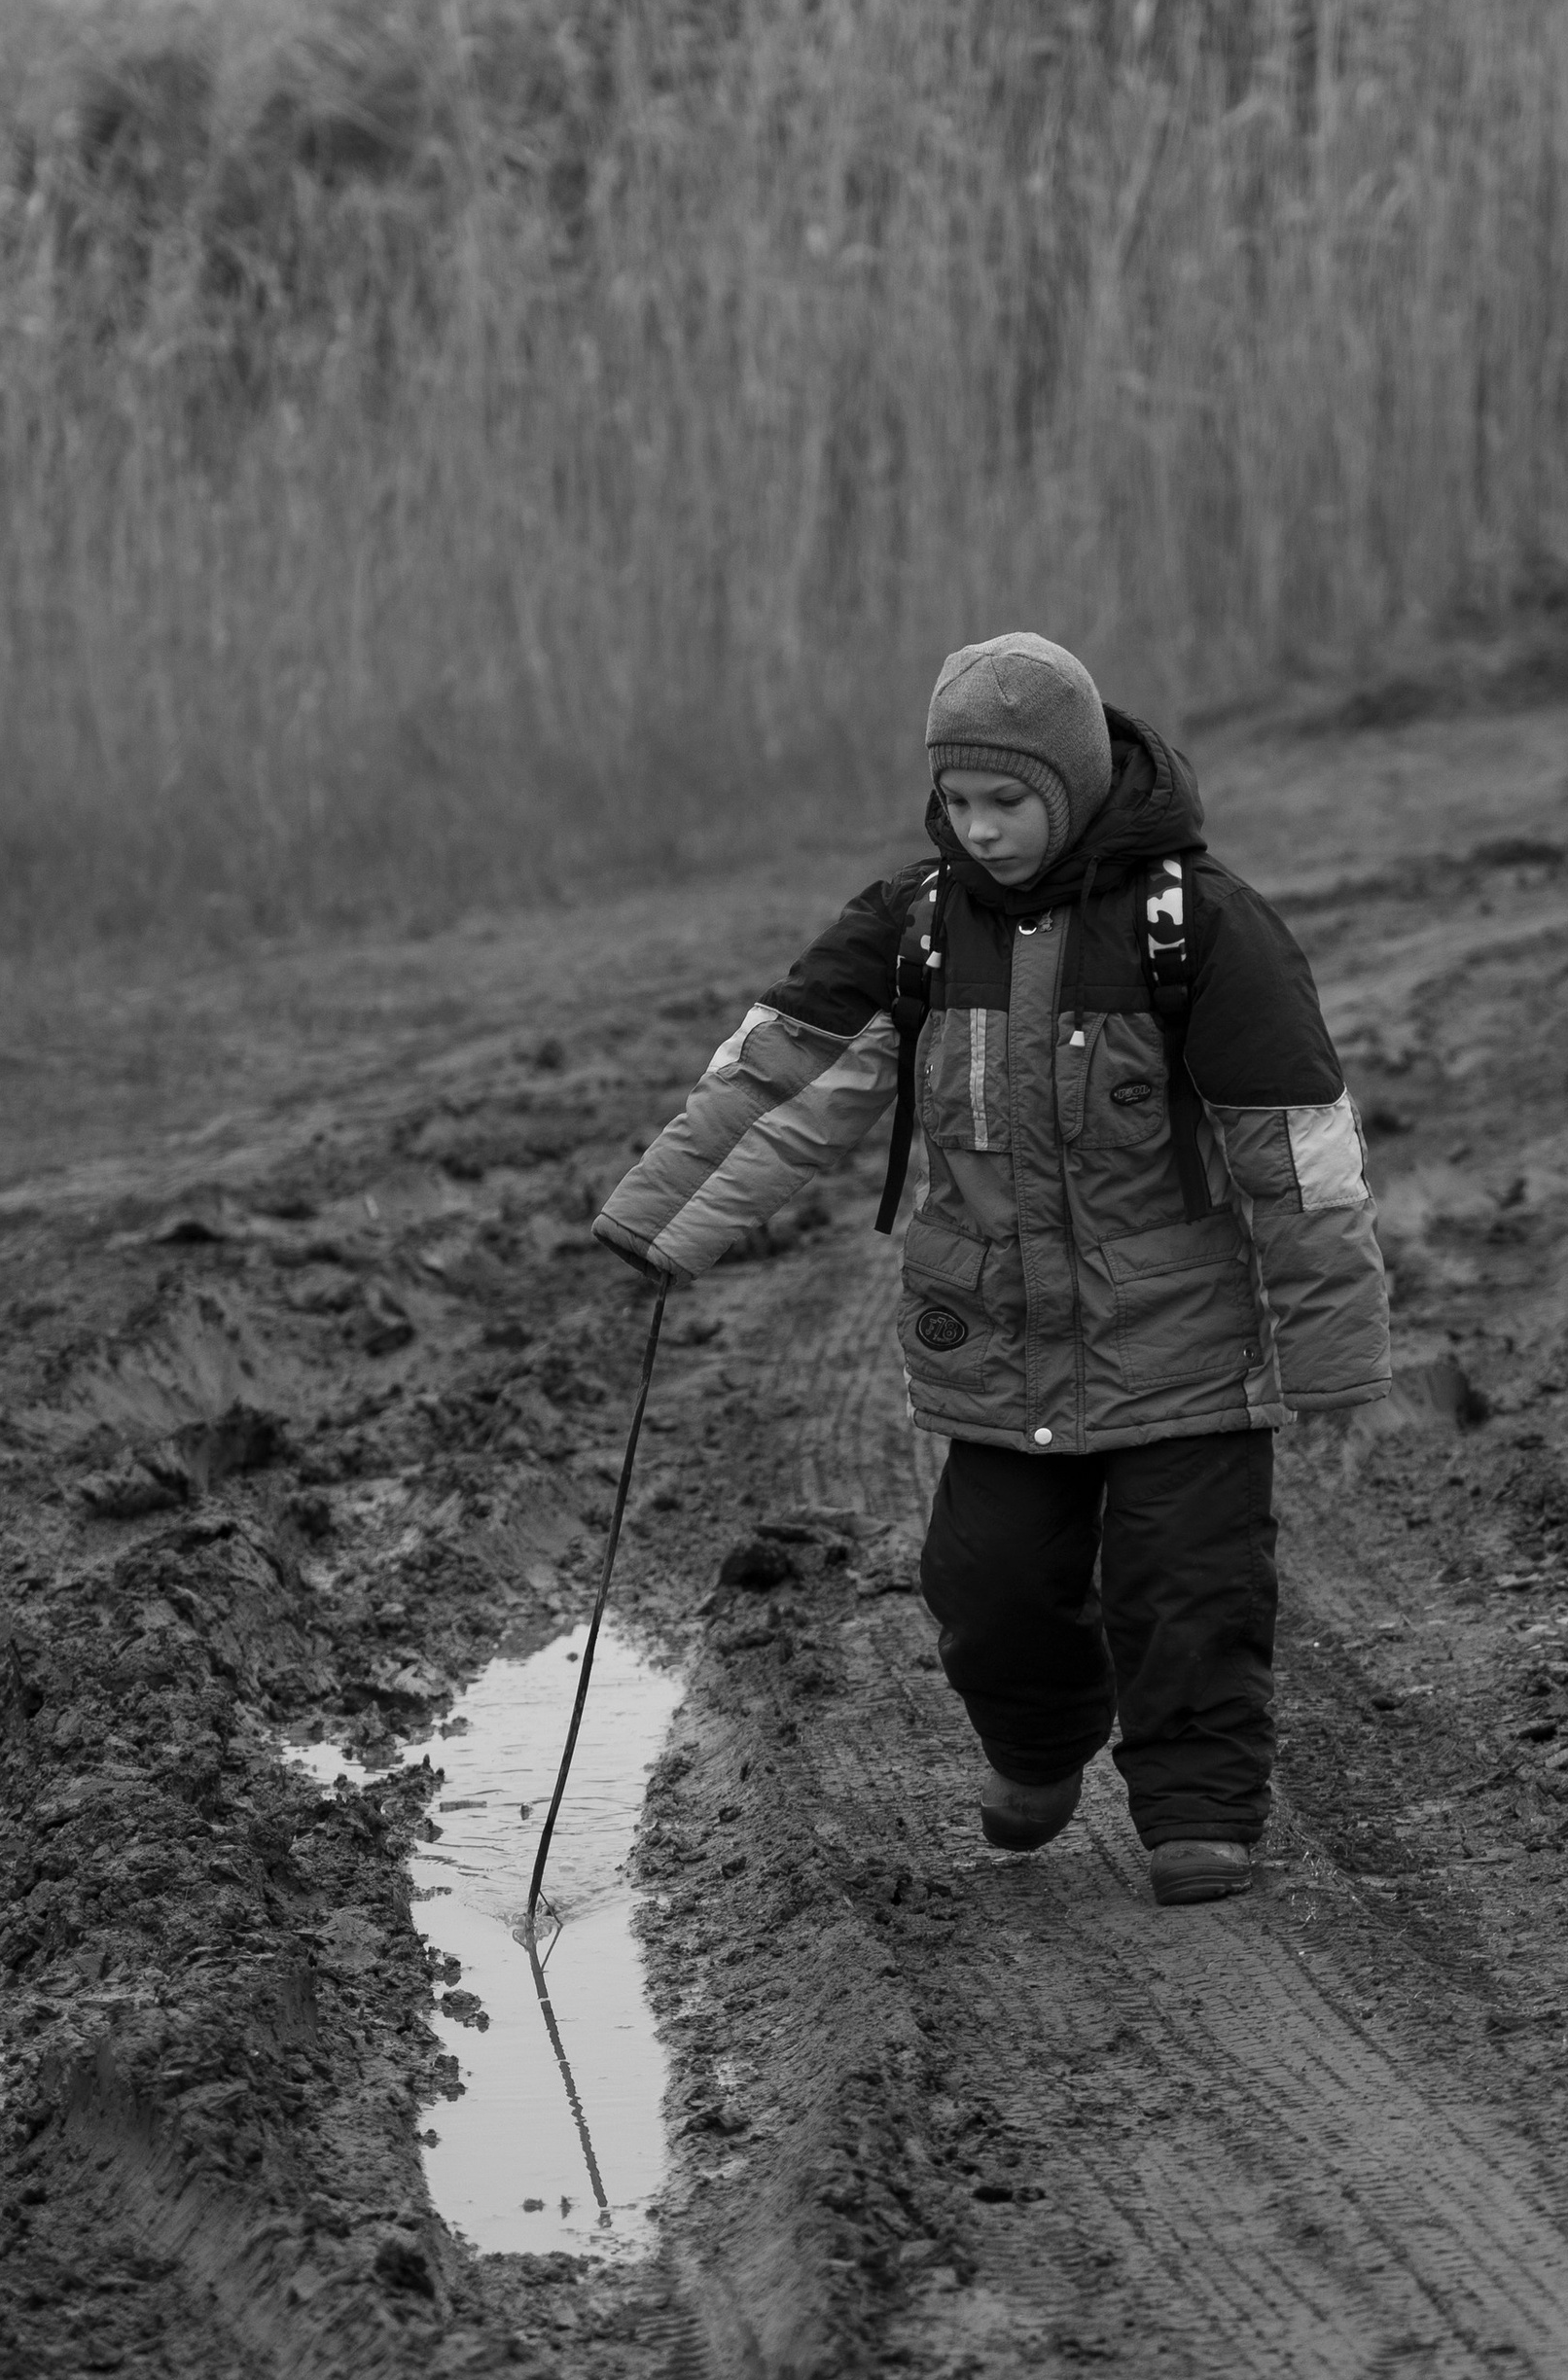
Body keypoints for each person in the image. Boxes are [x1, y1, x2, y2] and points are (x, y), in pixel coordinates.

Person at [592, 632, 1391, 1906]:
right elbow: (782, 1081)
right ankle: (1037, 1745)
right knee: (985, 1588)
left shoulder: (1200, 927)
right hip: (999, 1343)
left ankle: (1199, 1815)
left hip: (1179, 1345)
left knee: (1188, 1590)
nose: (981, 832)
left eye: (1008, 803)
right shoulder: (914, 925)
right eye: (959, 804)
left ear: (1071, 787)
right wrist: (659, 1220)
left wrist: (1334, 1350)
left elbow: (1292, 1157)